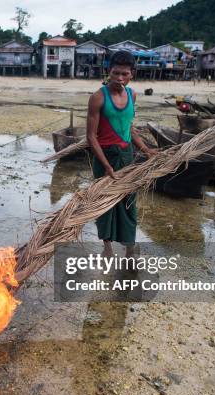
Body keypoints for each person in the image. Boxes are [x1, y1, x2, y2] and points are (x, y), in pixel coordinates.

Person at [86, 50, 156, 260]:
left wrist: (145, 150)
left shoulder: (132, 95)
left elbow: (129, 128)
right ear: (109, 71)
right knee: (104, 202)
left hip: (126, 155)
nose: (119, 78)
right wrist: (106, 167)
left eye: (124, 74)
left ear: (132, 74)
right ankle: (107, 246)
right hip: (104, 156)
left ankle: (129, 248)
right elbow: (91, 137)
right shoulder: (98, 97)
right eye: (116, 73)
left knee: (128, 202)